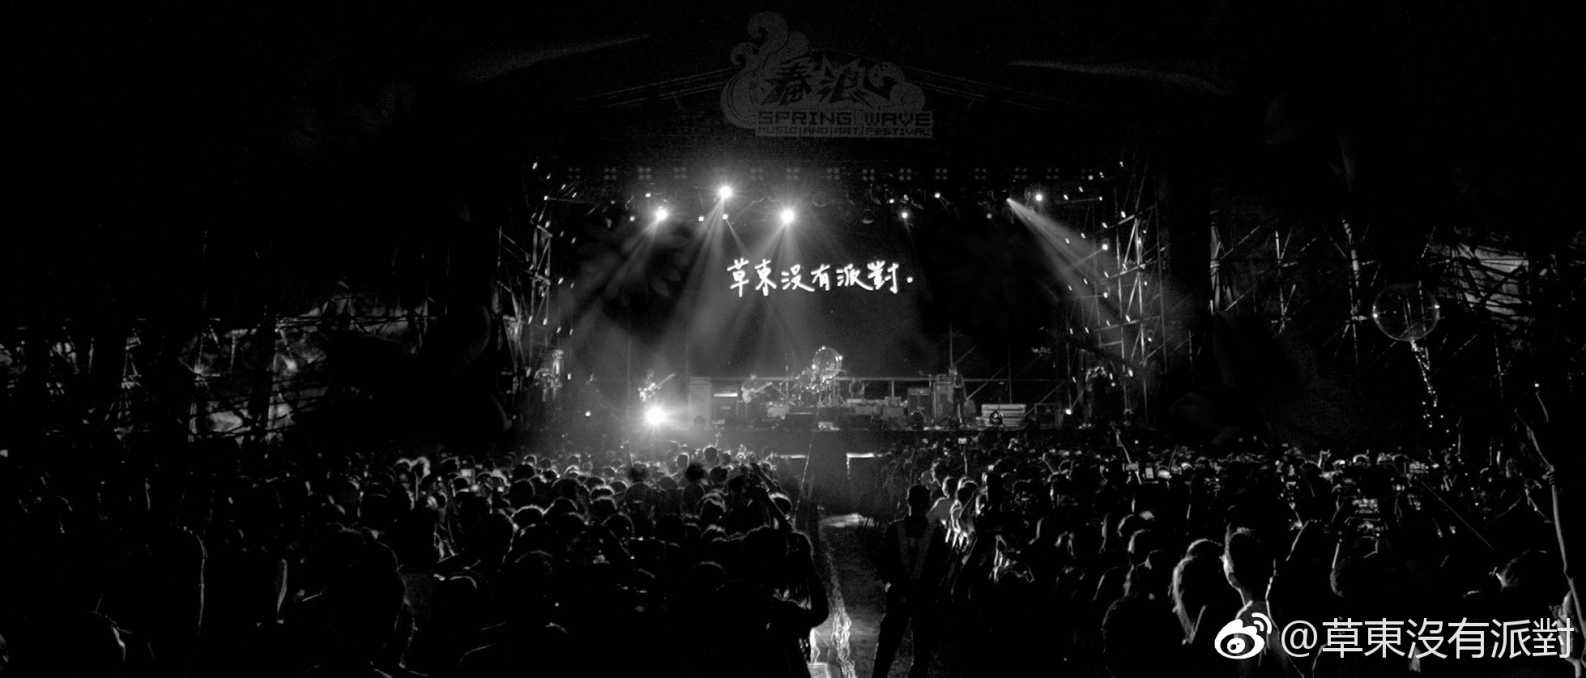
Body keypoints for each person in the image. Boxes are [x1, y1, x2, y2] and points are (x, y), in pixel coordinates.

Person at [874, 485, 950, 678]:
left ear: (908, 502)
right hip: (923, 595)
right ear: (928, 504)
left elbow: (882, 561)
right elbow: (941, 567)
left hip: (899, 593)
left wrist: (890, 583)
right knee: (921, 651)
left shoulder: (895, 529)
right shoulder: (936, 533)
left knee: (887, 647)